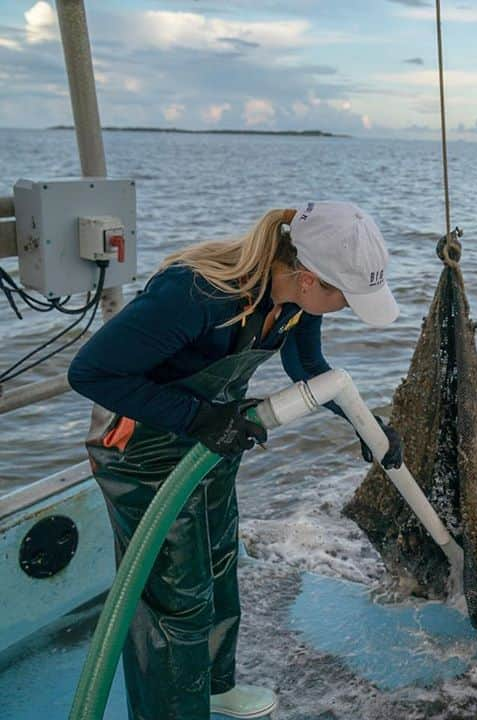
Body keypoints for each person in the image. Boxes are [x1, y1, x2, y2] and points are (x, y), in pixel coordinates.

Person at [67, 201, 405, 720]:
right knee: (175, 595)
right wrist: (198, 419)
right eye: (348, 298)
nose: (349, 309)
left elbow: (308, 367)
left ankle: (213, 686)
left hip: (212, 441)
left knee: (221, 562)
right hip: (145, 450)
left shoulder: (294, 303)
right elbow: (91, 373)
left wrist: (366, 424)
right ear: (311, 278)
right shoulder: (196, 293)